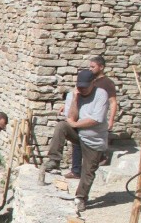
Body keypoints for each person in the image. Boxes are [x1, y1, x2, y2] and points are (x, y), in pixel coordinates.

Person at [41, 69, 109, 212]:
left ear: (93, 83)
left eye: (85, 86)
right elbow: (70, 118)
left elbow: (97, 119)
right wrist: (75, 99)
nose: (83, 89)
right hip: (79, 134)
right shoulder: (74, 95)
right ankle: (54, 160)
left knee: (88, 171)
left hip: (94, 139)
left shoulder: (101, 95)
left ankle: (81, 198)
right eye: (80, 86)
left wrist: (76, 124)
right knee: (61, 126)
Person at [69, 55, 118, 178]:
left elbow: (113, 102)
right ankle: (76, 170)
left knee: (93, 143)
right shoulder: (91, 80)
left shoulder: (107, 83)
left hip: (95, 119)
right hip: (82, 116)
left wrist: (111, 120)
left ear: (101, 67)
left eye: (93, 67)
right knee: (77, 143)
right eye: (89, 67)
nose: (90, 69)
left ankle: (97, 161)